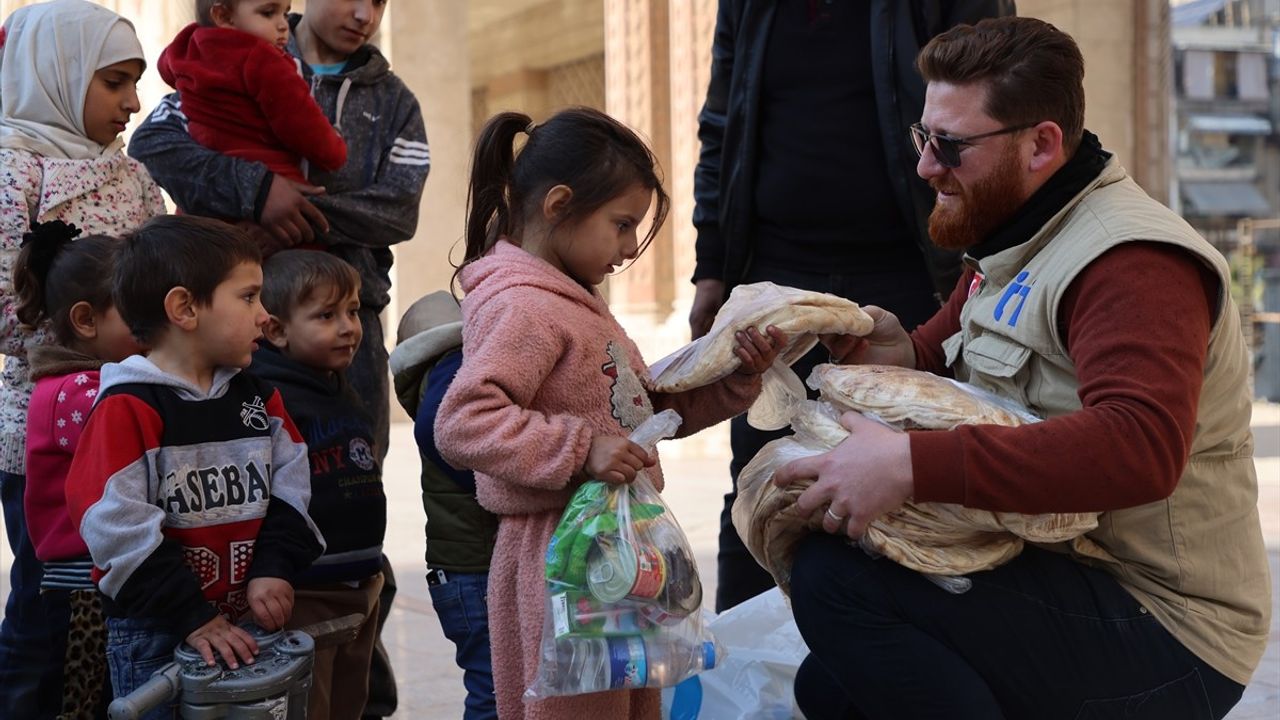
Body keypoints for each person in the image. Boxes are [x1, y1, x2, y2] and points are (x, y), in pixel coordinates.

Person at [776, 17, 1270, 720]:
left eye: (949, 145)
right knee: (832, 688)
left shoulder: (1130, 262)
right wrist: (885, 350)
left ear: (1041, 144)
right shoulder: (1020, 238)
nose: (926, 167)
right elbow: (937, 356)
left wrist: (910, 465)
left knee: (838, 582)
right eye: (923, 137)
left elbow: (1140, 446)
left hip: (1168, 628)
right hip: (1075, 577)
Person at [434, 107, 786, 720]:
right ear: (559, 204)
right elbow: (464, 419)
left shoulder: (575, 302)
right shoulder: (524, 307)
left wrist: (737, 375)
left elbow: (639, 409)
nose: (628, 249)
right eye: (622, 225)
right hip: (560, 557)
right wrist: (581, 449)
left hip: (616, 552)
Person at [129, 3, 426, 710]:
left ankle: (354, 676)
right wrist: (259, 188)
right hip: (236, 330)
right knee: (241, 494)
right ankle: (249, 678)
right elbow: (156, 148)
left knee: (342, 492)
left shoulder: (393, 101)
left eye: (381, 0)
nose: (364, 13)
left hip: (342, 345)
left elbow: (398, 210)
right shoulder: (231, 53)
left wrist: (291, 211)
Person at [690, 0, 1017, 612]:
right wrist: (713, 267)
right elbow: (722, 125)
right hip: (778, 272)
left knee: (900, 492)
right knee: (760, 478)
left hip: (910, 270)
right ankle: (748, 685)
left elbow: (1000, 98)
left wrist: (969, 269)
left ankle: (874, 664)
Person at [65, 215, 325, 720]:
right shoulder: (129, 406)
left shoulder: (259, 398)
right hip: (156, 632)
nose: (264, 315)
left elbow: (292, 485)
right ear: (184, 308)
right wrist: (192, 616)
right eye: (248, 297)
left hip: (247, 623)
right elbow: (115, 527)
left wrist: (274, 569)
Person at [0, 2, 166, 715]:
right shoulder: (12, 171)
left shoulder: (132, 178)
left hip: (135, 424)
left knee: (126, 600)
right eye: (114, 83)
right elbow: (8, 314)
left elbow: (167, 287)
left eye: (136, 83)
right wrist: (96, 331)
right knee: (49, 604)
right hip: (46, 435)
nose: (132, 103)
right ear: (60, 74)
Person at [249, 249, 385, 720]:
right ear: (277, 330)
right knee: (311, 706)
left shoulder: (338, 385)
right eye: (326, 315)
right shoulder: (270, 397)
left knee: (350, 702)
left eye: (351, 310)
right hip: (306, 592)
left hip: (357, 585)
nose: (348, 326)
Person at [16, 227, 140, 719]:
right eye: (138, 311)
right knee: (83, 704)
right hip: (80, 593)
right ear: (86, 320)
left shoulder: (95, 380)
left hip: (97, 583)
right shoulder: (77, 392)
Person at [390, 290, 498, 720]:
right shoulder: (451, 377)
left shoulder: (434, 387)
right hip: (473, 574)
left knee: (495, 684)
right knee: (494, 689)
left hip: (461, 575)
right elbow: (437, 433)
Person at [158, 0, 347, 196]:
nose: (283, 25)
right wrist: (336, 149)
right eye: (268, 13)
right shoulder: (265, 60)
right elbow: (304, 126)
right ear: (223, 16)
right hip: (274, 193)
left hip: (206, 195)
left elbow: (165, 69)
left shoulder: (186, 50)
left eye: (285, 13)